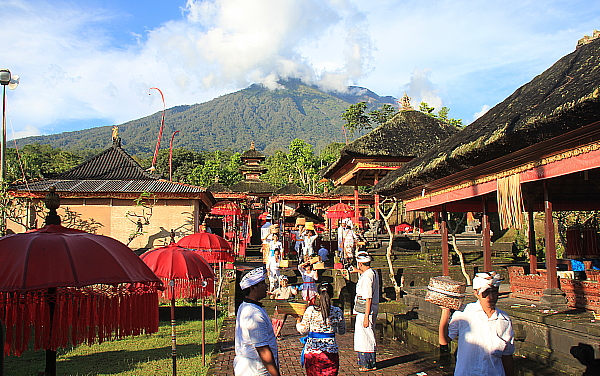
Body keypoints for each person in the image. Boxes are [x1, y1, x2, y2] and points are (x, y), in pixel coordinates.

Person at [438, 272, 515, 376]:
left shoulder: (504, 319)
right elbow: (444, 340)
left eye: (494, 292)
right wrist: (445, 311)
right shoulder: (464, 313)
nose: (491, 297)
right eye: (486, 293)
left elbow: (507, 355)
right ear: (476, 293)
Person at [234, 267, 281, 376]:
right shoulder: (254, 314)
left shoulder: (245, 306)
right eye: (262, 283)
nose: (266, 286)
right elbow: (262, 349)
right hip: (257, 370)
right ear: (253, 288)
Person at [296, 282, 346, 375]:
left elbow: (303, 330)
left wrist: (298, 321)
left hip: (313, 351)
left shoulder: (311, 310)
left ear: (317, 295)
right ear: (332, 295)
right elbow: (342, 331)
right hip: (331, 350)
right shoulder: (337, 311)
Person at [353, 251, 379, 372]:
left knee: (366, 336)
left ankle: (368, 363)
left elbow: (368, 298)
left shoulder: (368, 277)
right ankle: (366, 362)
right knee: (361, 336)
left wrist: (366, 317)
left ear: (360, 264)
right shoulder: (371, 272)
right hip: (363, 309)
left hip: (366, 310)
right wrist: (357, 271)